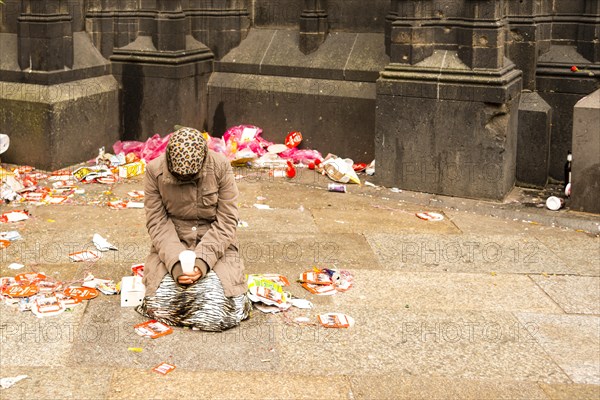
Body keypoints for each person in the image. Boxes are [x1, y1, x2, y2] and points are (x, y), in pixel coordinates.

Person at [137, 127, 250, 331]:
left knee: (216, 308)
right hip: (173, 244)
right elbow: (157, 223)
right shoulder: (154, 171)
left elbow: (227, 221)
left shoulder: (221, 166)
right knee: (161, 305)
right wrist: (176, 264)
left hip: (216, 244)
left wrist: (202, 261)